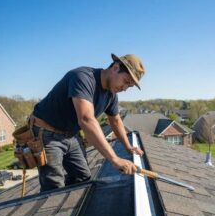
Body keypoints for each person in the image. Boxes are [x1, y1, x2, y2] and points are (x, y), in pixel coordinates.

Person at [31, 53, 145, 192]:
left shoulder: (111, 95)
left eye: (130, 86)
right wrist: (115, 159)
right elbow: (86, 119)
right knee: (54, 186)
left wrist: (128, 147)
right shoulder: (83, 77)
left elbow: (115, 120)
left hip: (71, 134)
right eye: (126, 81)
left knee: (83, 177)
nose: (125, 88)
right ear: (115, 68)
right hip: (47, 133)